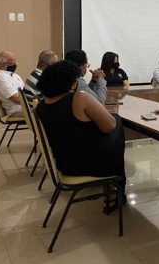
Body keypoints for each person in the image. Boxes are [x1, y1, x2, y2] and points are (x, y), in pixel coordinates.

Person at [35, 60, 125, 211]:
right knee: (117, 123)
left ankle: (115, 188)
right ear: (71, 83)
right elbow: (109, 126)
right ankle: (116, 188)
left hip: (64, 164)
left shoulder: (42, 106)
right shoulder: (80, 98)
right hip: (88, 166)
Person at [0, 51, 24, 118]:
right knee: (46, 111)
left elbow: (25, 92)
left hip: (24, 107)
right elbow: (16, 98)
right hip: (16, 110)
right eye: (11, 64)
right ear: (2, 64)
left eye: (15, 63)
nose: (14, 65)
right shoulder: (0, 78)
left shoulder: (15, 76)